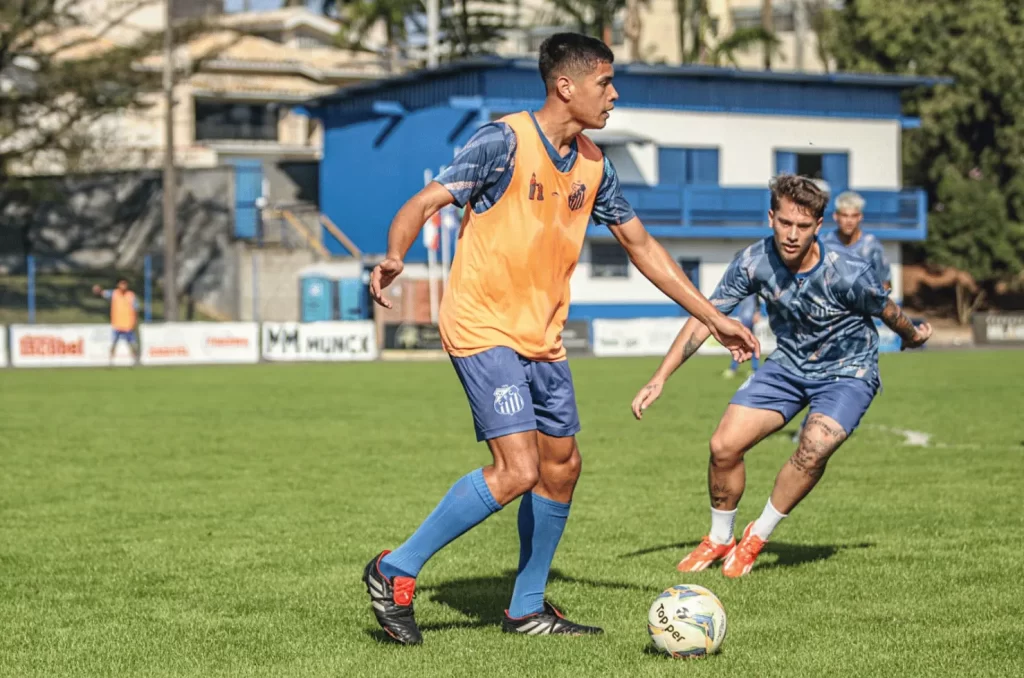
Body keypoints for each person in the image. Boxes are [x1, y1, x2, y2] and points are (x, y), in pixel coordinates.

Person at [361, 32, 760, 645]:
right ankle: (395, 570)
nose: (614, 94)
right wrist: (394, 254)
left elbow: (641, 246)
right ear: (565, 86)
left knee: (562, 468)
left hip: (542, 337)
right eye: (606, 82)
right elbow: (424, 202)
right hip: (481, 326)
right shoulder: (502, 141)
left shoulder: (596, 164)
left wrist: (712, 315)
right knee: (517, 468)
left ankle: (525, 607)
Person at [630, 175, 931, 579]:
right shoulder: (753, 262)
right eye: (784, 223)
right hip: (788, 365)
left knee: (815, 444)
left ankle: (759, 534)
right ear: (771, 217)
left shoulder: (848, 272)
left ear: (818, 226)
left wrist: (913, 336)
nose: (792, 235)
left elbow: (887, 311)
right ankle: (720, 538)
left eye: (803, 226)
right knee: (723, 446)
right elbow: (707, 316)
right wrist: (660, 377)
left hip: (847, 371)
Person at [821, 190, 892, 293]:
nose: (849, 221)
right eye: (845, 215)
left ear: (860, 217)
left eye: (854, 216)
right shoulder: (824, 243)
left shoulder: (871, 245)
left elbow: (885, 283)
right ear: (835, 216)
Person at [92, 278, 139, 364]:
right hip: (117, 324)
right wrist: (98, 290)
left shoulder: (131, 295)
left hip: (128, 324)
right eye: (121, 284)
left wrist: (134, 321)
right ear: (118, 285)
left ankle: (136, 360)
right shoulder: (114, 293)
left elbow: (135, 309)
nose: (123, 286)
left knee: (132, 343)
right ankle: (110, 360)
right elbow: (103, 293)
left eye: (125, 284)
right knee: (114, 343)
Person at [722, 293, 761, 379]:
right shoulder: (741, 289)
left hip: (749, 320)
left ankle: (736, 368)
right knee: (746, 343)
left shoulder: (753, 291)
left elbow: (757, 301)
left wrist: (757, 312)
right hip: (743, 319)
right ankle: (736, 368)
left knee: (747, 343)